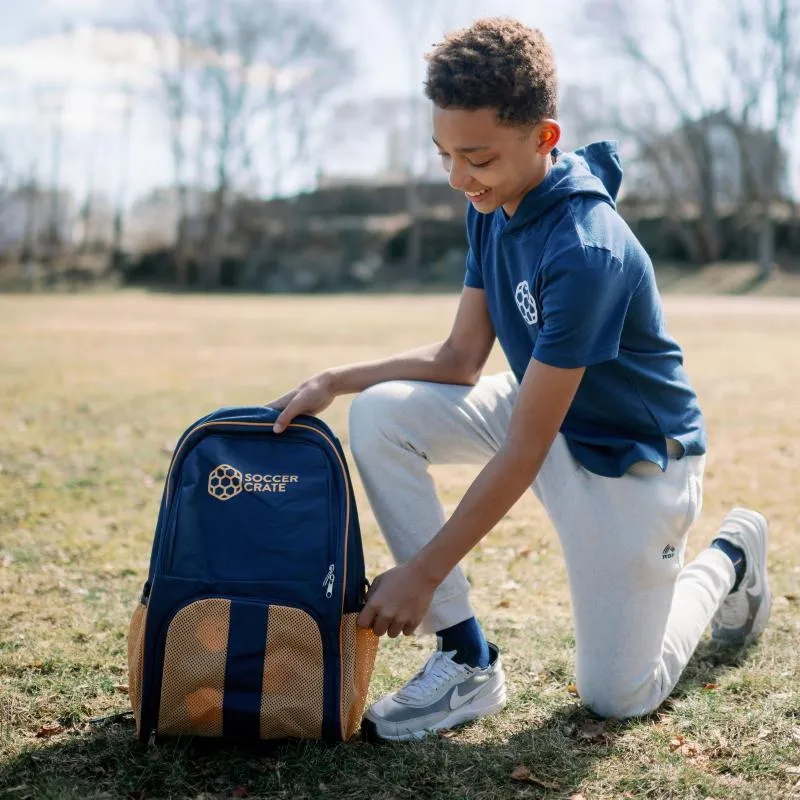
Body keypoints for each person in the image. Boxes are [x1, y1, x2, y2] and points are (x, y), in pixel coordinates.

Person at [268, 17, 771, 741]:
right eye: (444, 154)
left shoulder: (586, 252)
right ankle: (465, 660)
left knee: (617, 696)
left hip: (629, 458)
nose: (456, 177)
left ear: (544, 137)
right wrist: (333, 378)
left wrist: (423, 573)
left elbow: (525, 450)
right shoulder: (492, 205)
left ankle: (729, 555)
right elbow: (460, 360)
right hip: (542, 408)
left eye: (475, 156)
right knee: (381, 413)